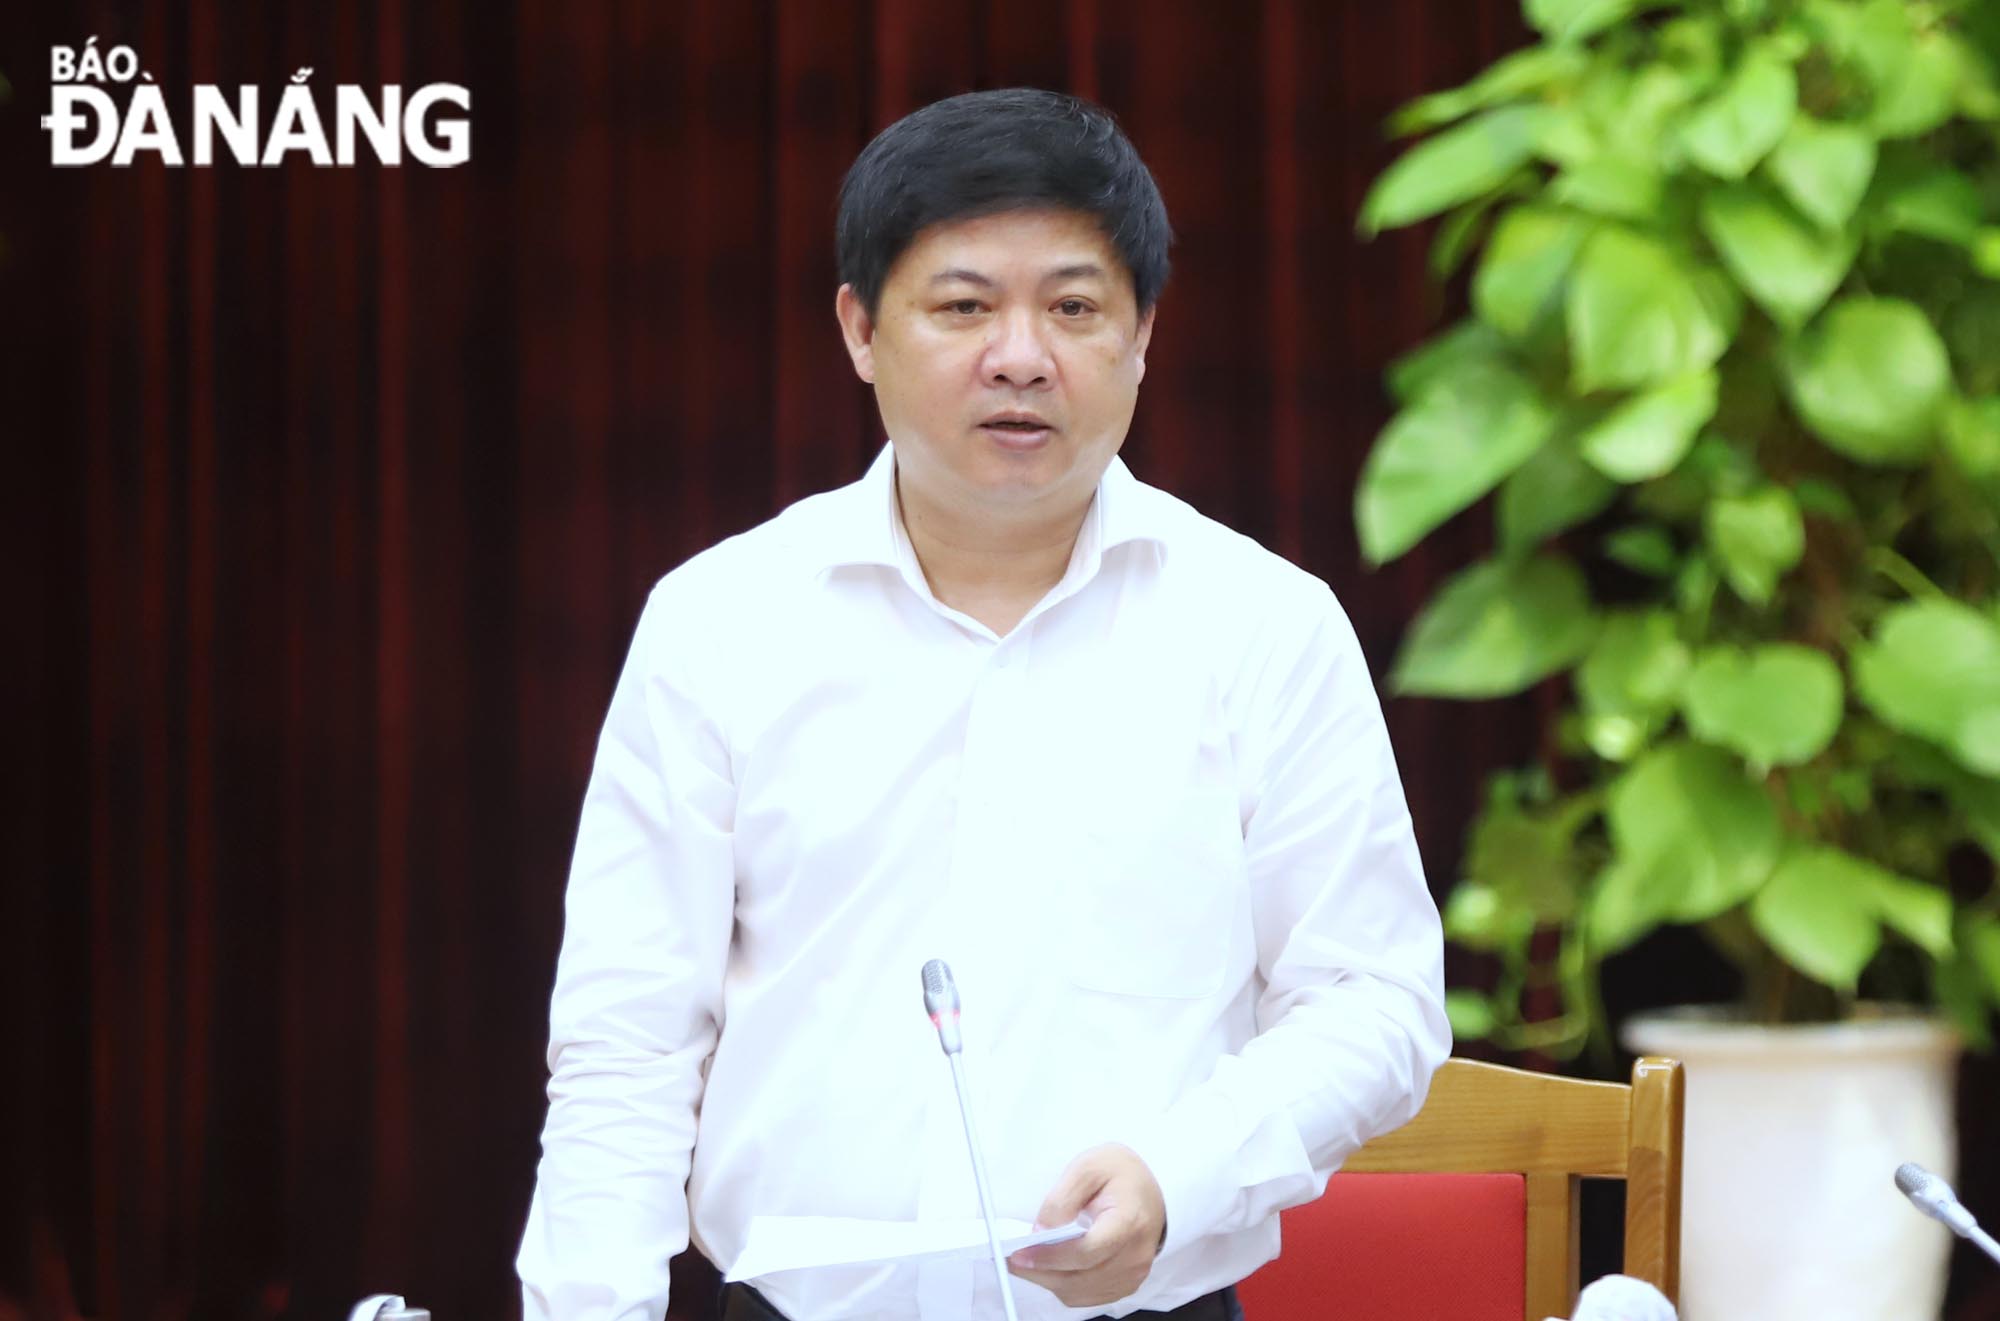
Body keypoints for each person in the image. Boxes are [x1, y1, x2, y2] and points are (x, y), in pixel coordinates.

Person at [516, 87, 1449, 1321]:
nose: (1021, 355)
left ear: (1143, 334)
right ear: (858, 327)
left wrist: (1179, 1175)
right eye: (962, 307)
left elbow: (1375, 1001)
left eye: (1072, 307)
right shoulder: (718, 623)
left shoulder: (1262, 626)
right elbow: (627, 1040)